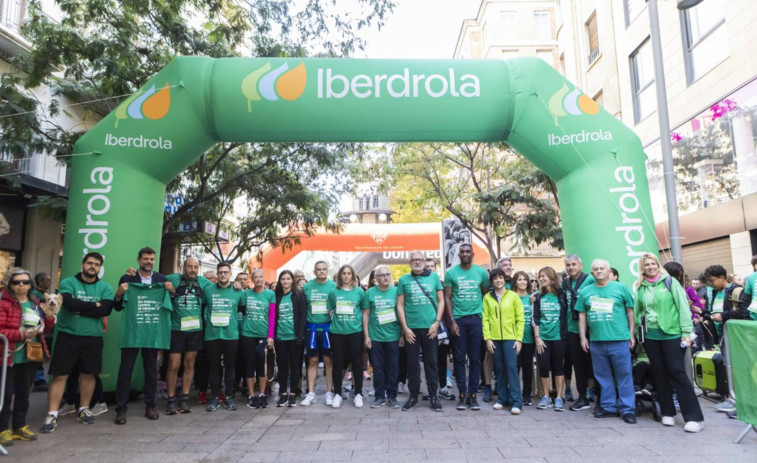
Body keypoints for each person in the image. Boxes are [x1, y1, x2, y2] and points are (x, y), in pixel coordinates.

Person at [41, 253, 113, 433]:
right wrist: (94, 306)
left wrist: (86, 309)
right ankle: (52, 414)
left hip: (93, 337)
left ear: (100, 267)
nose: (92, 266)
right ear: (82, 264)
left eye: (96, 264)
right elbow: (70, 304)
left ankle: (84, 408)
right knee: (60, 376)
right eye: (89, 263)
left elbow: (106, 309)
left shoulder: (105, 287)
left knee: (89, 374)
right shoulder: (68, 282)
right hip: (68, 336)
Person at [634, 253, 704, 432]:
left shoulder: (670, 282)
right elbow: (638, 311)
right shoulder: (641, 287)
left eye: (652, 264)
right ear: (642, 268)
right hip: (651, 336)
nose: (650, 267)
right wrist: (637, 331)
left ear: (658, 265)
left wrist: (686, 333)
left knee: (677, 372)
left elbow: (683, 307)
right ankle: (667, 412)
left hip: (672, 334)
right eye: (646, 265)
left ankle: (694, 418)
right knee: (659, 373)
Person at [113, 247, 174, 425]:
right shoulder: (127, 279)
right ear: (139, 259)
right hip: (132, 332)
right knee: (125, 371)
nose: (148, 262)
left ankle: (150, 405)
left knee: (151, 371)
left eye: (151, 259)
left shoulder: (162, 280)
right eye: (145, 259)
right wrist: (119, 293)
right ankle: (121, 410)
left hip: (152, 333)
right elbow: (118, 307)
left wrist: (171, 291)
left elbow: (172, 303)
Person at [576, 259, 636, 424]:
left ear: (609, 271)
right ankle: (609, 407)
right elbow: (582, 315)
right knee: (603, 377)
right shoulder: (586, 291)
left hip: (619, 340)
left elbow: (630, 312)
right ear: (592, 272)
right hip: (596, 341)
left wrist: (631, 334)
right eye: (595, 269)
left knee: (624, 376)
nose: (599, 271)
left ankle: (628, 410)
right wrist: (583, 337)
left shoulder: (620, 288)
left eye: (602, 268)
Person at [0, 268, 54, 445]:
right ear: (10, 284)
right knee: (5, 395)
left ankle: (19, 426)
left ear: (31, 285)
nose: (21, 285)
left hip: (30, 355)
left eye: (25, 282)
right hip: (7, 356)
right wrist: (21, 335)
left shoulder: (34, 302)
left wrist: (49, 318)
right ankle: (3, 429)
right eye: (17, 282)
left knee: (24, 393)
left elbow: (43, 329)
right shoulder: (3, 302)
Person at [397, 251, 445, 412]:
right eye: (414, 260)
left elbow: (441, 301)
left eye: (419, 259)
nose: (417, 262)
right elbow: (400, 305)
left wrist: (437, 323)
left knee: (432, 363)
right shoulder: (404, 280)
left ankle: (434, 396)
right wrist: (405, 329)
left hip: (430, 328)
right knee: (412, 364)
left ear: (424, 261)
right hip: (411, 329)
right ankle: (413, 396)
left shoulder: (434, 278)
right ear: (409, 262)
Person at [444, 243, 490, 410]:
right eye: (462, 252)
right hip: (459, 321)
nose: (464, 254)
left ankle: (473, 395)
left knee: (476, 358)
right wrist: (452, 321)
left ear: (472, 254)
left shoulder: (481, 273)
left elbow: (486, 294)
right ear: (459, 254)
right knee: (459, 358)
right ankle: (462, 394)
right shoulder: (451, 273)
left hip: (476, 319)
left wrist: (485, 318)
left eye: (467, 252)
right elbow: (447, 297)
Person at [164, 257, 211, 415]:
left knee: (190, 363)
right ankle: (171, 399)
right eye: (190, 266)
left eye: (195, 267)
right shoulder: (173, 278)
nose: (192, 270)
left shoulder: (203, 282)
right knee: (173, 364)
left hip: (195, 330)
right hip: (176, 329)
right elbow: (154, 278)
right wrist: (134, 274)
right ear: (184, 267)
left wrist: (236, 285)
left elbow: (220, 288)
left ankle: (184, 398)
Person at [702, 264, 749, 414]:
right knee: (728, 365)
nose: (710, 284)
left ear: (722, 278)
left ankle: (739, 400)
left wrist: (723, 316)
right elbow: (715, 312)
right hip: (723, 335)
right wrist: (704, 313)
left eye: (712, 280)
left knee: (737, 367)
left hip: (735, 336)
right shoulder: (716, 293)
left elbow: (744, 312)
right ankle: (732, 398)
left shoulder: (737, 291)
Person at [203, 262, 246, 412]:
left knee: (230, 366)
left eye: (225, 272)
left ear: (230, 274)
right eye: (220, 272)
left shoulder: (238, 292)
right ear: (217, 273)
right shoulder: (207, 290)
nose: (222, 275)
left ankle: (229, 397)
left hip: (231, 334)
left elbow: (244, 309)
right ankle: (214, 397)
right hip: (212, 335)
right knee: (214, 367)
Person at [482, 268, 524, 415]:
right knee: (498, 368)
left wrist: (518, 339)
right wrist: (487, 338)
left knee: (511, 368)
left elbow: (520, 318)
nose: (498, 280)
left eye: (500, 277)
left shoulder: (513, 296)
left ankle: (516, 401)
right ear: (492, 281)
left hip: (510, 337)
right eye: (495, 278)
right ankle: (502, 398)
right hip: (494, 338)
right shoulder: (488, 297)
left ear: (505, 279)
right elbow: (485, 319)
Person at [362, 266, 401, 409]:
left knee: (393, 368)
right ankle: (379, 396)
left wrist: (403, 334)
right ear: (376, 278)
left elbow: (402, 312)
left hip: (394, 336)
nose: (385, 277)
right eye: (382, 275)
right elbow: (365, 314)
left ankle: (392, 396)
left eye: (387, 274)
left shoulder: (397, 292)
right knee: (378, 368)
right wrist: (366, 336)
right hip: (375, 337)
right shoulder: (370, 293)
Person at [328, 265, 366, 408]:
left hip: (355, 332)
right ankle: (337, 393)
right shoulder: (333, 292)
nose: (346, 276)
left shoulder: (359, 292)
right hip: (337, 333)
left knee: (357, 363)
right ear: (339, 276)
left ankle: (358, 393)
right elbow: (330, 310)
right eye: (343, 273)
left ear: (353, 275)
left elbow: (363, 310)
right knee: (337, 364)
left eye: (349, 273)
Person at [561, 254, 596, 412]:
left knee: (593, 364)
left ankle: (596, 395)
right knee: (578, 365)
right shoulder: (565, 283)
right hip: (572, 330)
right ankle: (582, 397)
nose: (571, 267)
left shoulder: (590, 280)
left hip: (591, 330)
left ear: (581, 265)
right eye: (568, 265)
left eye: (574, 264)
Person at [532, 266, 568, 411]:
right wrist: (537, 337)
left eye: (544, 276)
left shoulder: (562, 295)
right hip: (543, 338)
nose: (541, 279)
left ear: (552, 278)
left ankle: (559, 397)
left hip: (559, 336)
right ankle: (546, 396)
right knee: (544, 365)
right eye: (540, 276)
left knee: (558, 366)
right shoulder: (538, 297)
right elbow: (535, 318)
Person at [301, 261, 336, 406]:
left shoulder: (334, 286)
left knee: (329, 361)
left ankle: (329, 392)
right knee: (312, 361)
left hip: (329, 329)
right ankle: (311, 393)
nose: (321, 271)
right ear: (314, 272)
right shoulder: (307, 287)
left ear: (327, 271)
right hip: (312, 330)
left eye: (324, 269)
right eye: (319, 269)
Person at [240, 269, 275, 409]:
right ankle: (251, 395)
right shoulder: (246, 294)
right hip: (247, 334)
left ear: (264, 278)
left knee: (262, 365)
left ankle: (261, 394)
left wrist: (270, 336)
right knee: (249, 365)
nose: (259, 279)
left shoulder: (270, 294)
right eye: (256, 277)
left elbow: (272, 315)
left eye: (261, 276)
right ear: (252, 279)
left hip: (263, 334)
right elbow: (240, 309)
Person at [272, 270, 307, 407]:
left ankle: (293, 393)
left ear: (292, 280)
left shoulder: (298, 295)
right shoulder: (276, 296)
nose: (285, 281)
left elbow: (303, 316)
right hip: (280, 337)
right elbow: (274, 317)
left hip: (295, 337)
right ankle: (282, 393)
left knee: (295, 366)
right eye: (283, 279)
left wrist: (299, 335)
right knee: (282, 366)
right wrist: (274, 336)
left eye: (288, 279)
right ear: (280, 281)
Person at [512, 271, 535, 406]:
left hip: (529, 338)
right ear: (515, 282)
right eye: (520, 279)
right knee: (515, 366)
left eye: (525, 280)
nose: (522, 282)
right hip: (514, 338)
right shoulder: (511, 297)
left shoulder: (532, 298)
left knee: (528, 367)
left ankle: (527, 394)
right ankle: (515, 393)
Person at [31, 272, 52, 392]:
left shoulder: (44, 294)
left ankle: (39, 379)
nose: (49, 282)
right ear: (39, 281)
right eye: (47, 280)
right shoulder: (36, 294)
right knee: (37, 353)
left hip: (43, 326)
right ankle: (38, 380)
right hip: (36, 327)